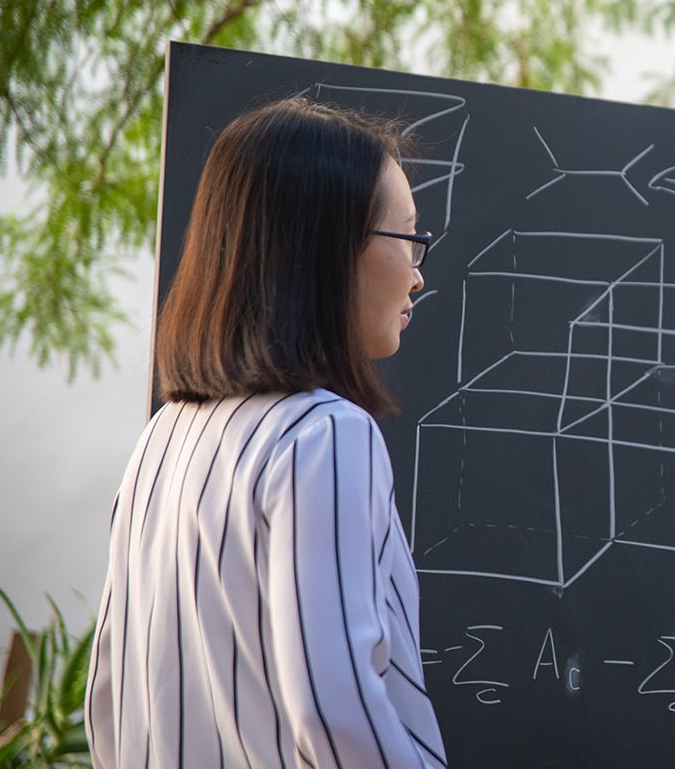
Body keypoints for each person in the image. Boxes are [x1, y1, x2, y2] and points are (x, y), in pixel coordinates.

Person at [85, 98, 448, 768]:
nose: (419, 275)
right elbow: (336, 713)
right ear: (325, 250)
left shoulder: (162, 438)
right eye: (410, 237)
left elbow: (106, 700)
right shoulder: (326, 437)